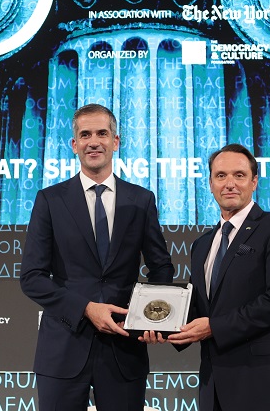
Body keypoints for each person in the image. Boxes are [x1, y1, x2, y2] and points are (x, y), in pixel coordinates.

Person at [21, 103, 173, 411]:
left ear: (116, 142)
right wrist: (86, 308)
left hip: (123, 348)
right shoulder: (50, 200)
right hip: (63, 347)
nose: (94, 142)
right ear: (74, 144)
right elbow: (32, 277)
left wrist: (148, 316)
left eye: (102, 133)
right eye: (85, 134)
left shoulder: (141, 200)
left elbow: (161, 266)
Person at [146, 143, 270, 411]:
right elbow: (197, 307)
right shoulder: (202, 245)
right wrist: (160, 325)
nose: (229, 184)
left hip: (264, 385)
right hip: (214, 387)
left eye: (239, 175)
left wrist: (214, 327)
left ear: (254, 182)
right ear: (210, 184)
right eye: (221, 176)